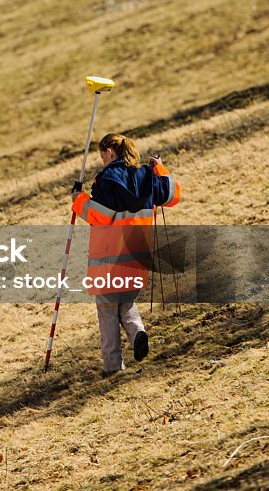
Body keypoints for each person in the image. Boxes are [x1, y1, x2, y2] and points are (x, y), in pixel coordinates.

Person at [71, 134, 181, 376]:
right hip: (137, 255)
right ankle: (137, 333)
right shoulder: (146, 175)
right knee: (125, 302)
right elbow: (172, 195)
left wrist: (77, 199)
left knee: (108, 312)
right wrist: (158, 167)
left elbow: (97, 216)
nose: (101, 161)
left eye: (101, 156)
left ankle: (112, 367)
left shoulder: (108, 180)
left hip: (109, 258)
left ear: (110, 151)